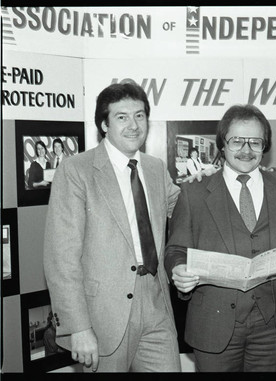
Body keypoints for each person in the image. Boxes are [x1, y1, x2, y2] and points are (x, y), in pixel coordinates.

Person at [165, 104, 276, 372]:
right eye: (237, 141)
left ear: (265, 146)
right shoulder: (194, 192)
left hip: (275, 327)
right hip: (214, 325)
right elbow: (176, 249)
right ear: (222, 145)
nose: (246, 150)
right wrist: (178, 268)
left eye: (255, 142)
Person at [43, 82, 182, 372]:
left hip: (157, 305)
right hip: (102, 316)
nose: (134, 125)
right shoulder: (76, 170)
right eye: (122, 117)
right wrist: (77, 327)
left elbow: (185, 208)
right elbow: (61, 258)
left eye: (140, 115)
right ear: (104, 124)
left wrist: (226, 180)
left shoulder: (156, 168)